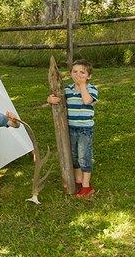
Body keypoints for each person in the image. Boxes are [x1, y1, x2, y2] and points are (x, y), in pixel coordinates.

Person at [46, 59, 98, 198]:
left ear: (89, 76)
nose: (78, 74)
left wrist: (82, 86)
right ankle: (78, 180)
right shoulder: (67, 90)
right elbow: (57, 98)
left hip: (84, 130)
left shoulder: (91, 89)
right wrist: (50, 100)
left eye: (82, 72)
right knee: (74, 157)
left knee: (84, 157)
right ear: (70, 74)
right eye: (75, 72)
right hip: (71, 128)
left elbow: (87, 101)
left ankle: (86, 187)